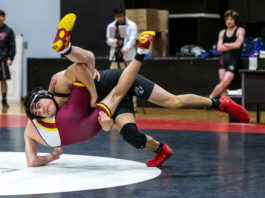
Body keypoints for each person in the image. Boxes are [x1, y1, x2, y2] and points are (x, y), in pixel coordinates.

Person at [24, 13, 250, 168]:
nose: (42, 109)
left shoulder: (58, 87)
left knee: (173, 102)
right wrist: (51, 155)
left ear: (45, 94)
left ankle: (220, 104)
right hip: (104, 101)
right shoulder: (46, 113)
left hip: (109, 83)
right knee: (131, 136)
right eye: (39, 111)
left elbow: (80, 68)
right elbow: (35, 142)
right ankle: (162, 149)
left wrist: (93, 93)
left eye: (40, 104)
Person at [210, 9, 245, 98]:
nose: (229, 21)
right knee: (223, 85)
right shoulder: (222, 32)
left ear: (235, 20)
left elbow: (238, 45)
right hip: (223, 60)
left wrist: (225, 44)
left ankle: (209, 99)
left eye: (231, 19)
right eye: (227, 20)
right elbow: (219, 47)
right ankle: (223, 106)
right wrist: (231, 45)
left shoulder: (240, 30)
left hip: (233, 60)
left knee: (225, 82)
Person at [0, 10, 16, 107]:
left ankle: (4, 100)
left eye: (2, 16)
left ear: (4, 18)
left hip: (3, 60)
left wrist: (10, 58)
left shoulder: (8, 31)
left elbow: (12, 46)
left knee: (3, 80)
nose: (0, 18)